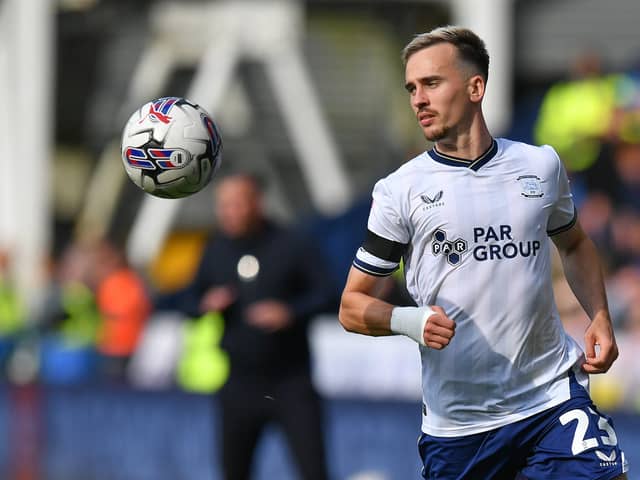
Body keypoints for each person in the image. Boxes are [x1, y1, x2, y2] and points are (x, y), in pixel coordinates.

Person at [338, 26, 629, 479]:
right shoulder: (399, 191)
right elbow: (351, 306)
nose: (418, 99)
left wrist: (599, 316)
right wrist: (408, 321)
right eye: (412, 88)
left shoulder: (540, 165)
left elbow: (574, 243)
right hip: (461, 428)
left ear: (476, 87)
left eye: (432, 83)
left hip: (550, 399)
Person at [172, 173, 333, 480]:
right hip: (238, 383)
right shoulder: (215, 248)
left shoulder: (292, 243)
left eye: (237, 204)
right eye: (224, 205)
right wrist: (206, 303)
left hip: (291, 381)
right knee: (234, 472)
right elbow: (188, 301)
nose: (229, 212)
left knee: (313, 471)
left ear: (256, 203)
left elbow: (327, 294)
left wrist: (290, 312)